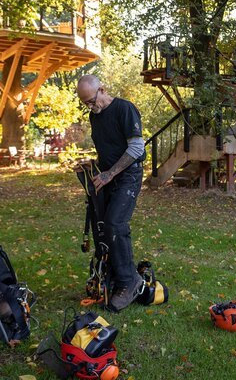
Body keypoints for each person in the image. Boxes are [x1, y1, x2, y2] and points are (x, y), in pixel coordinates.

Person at [76, 74, 145, 312]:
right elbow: (110, 150)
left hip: (128, 175)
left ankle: (130, 281)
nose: (90, 106)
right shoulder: (94, 117)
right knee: (103, 227)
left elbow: (136, 148)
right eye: (85, 103)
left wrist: (110, 174)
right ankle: (114, 277)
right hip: (109, 175)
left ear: (102, 90)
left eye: (91, 101)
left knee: (116, 224)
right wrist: (93, 164)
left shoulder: (124, 109)